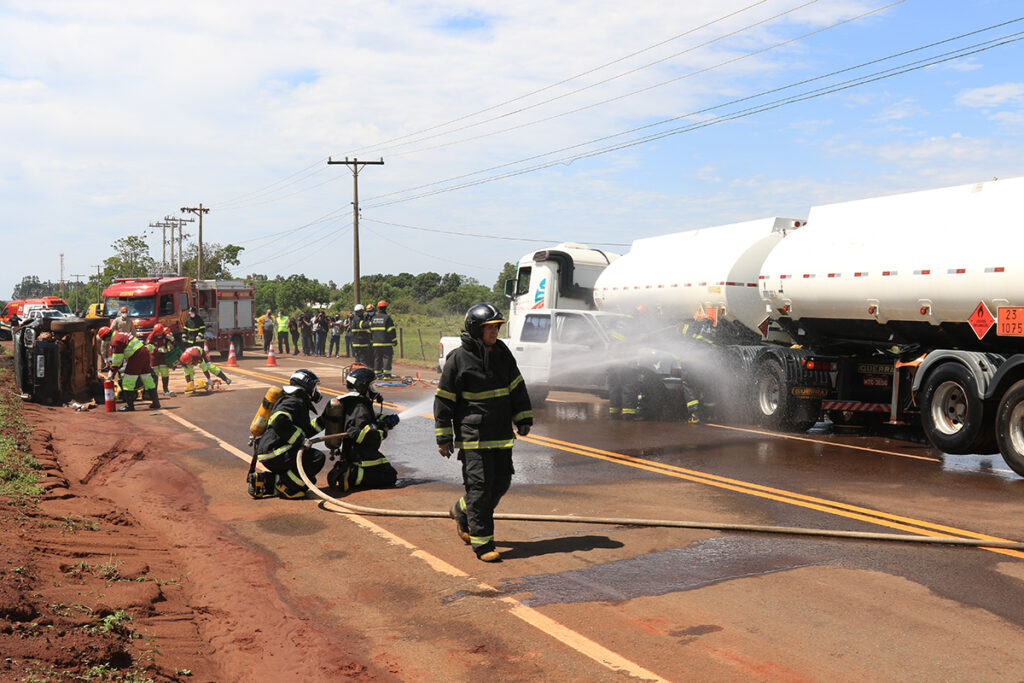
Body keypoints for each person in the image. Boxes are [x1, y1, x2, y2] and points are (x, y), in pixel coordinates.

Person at [434, 302, 533, 563]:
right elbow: (444, 400)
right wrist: (443, 437)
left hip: (501, 434)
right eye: (489, 328)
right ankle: (482, 543)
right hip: (473, 436)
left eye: (496, 327)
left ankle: (461, 509)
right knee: (479, 488)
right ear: (475, 329)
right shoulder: (458, 359)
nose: (494, 332)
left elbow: (516, 386)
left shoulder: (502, 352)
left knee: (500, 484)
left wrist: (523, 417)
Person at [324, 366, 399, 491]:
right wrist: (383, 430)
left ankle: (345, 468)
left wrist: (385, 419)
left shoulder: (356, 402)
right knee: (389, 476)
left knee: (386, 469)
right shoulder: (360, 407)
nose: (374, 390)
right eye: (372, 386)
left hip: (355, 453)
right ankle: (351, 475)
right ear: (363, 386)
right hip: (361, 455)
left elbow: (370, 418)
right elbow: (359, 434)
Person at [254, 369, 326, 499]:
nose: (316, 390)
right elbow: (278, 420)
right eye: (314, 386)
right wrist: (299, 440)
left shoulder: (297, 400)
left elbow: (304, 430)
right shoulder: (295, 401)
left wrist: (324, 420)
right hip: (275, 451)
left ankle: (267, 481)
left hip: (272, 450)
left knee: (307, 476)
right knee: (315, 458)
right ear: (307, 385)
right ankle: (288, 487)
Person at [97, 326, 160, 411]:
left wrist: (111, 371)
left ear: (106, 336)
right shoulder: (119, 335)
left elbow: (117, 361)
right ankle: (156, 402)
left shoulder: (115, 341)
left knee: (127, 382)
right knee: (147, 378)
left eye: (104, 339)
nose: (106, 341)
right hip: (144, 353)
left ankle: (129, 406)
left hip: (136, 356)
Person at [606, 315, 640, 420]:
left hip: (613, 365)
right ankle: (628, 414)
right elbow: (636, 342)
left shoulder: (617, 328)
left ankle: (614, 413)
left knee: (615, 389)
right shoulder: (631, 329)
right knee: (629, 388)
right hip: (626, 365)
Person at [145, 323, 175, 397]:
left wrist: (172, 339)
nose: (158, 335)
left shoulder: (165, 334)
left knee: (165, 373)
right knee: (154, 374)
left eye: (159, 333)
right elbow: (148, 346)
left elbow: (173, 344)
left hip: (163, 357)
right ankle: (153, 392)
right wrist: (158, 349)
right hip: (154, 357)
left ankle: (166, 390)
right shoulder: (151, 336)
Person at [370, 300, 398, 377]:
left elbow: (370, 331)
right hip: (386, 343)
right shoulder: (387, 318)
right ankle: (387, 375)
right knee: (387, 357)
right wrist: (394, 341)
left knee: (377, 358)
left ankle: (377, 375)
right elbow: (391, 330)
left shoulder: (374, 318)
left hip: (375, 343)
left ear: (378, 308)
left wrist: (372, 341)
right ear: (385, 307)